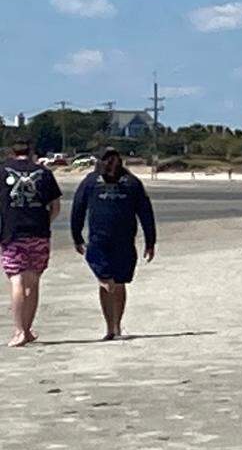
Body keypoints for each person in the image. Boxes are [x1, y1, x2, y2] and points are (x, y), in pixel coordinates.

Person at [70, 148, 156, 340]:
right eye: (107, 161)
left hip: (124, 241)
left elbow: (145, 212)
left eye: (114, 160)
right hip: (99, 241)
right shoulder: (91, 182)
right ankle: (110, 326)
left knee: (119, 283)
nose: (111, 165)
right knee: (107, 282)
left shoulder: (132, 183)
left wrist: (151, 241)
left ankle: (115, 327)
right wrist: (76, 237)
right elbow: (78, 208)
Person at [1, 140, 63, 347]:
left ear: (12, 152)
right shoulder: (44, 173)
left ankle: (19, 330)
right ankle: (27, 329)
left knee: (17, 281)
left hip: (12, 234)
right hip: (39, 233)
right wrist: (45, 223)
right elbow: (55, 206)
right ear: (32, 152)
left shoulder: (2, 171)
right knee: (33, 282)